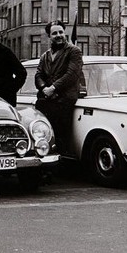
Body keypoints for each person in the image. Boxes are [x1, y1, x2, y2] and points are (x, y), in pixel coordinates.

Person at [34, 20, 84, 155]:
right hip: (46, 100)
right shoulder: (45, 55)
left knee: (61, 136)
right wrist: (44, 88)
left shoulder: (74, 51)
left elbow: (72, 74)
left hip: (64, 101)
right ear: (49, 36)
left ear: (65, 33)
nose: (58, 35)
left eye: (61, 32)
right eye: (54, 33)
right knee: (41, 134)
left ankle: (61, 166)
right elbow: (38, 75)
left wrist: (53, 88)